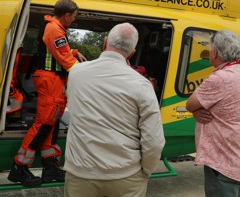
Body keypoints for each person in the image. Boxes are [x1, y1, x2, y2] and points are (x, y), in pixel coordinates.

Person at [64, 22, 165, 197]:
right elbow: (154, 140)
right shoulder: (142, 84)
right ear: (132, 53)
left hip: (81, 172)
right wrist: (146, 170)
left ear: (105, 42)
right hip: (126, 175)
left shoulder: (76, 73)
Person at [8, 0, 86, 187]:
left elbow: (61, 52)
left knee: (51, 124)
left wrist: (74, 51)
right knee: (44, 124)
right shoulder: (54, 29)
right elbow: (65, 60)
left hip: (54, 81)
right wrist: (87, 75)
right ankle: (19, 168)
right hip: (50, 80)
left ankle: (50, 167)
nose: (73, 21)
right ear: (66, 15)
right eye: (73, 17)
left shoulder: (55, 29)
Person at [186, 30, 240, 197]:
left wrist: (196, 111)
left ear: (215, 53)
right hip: (238, 158)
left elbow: (190, 104)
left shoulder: (220, 78)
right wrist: (198, 112)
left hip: (222, 162)